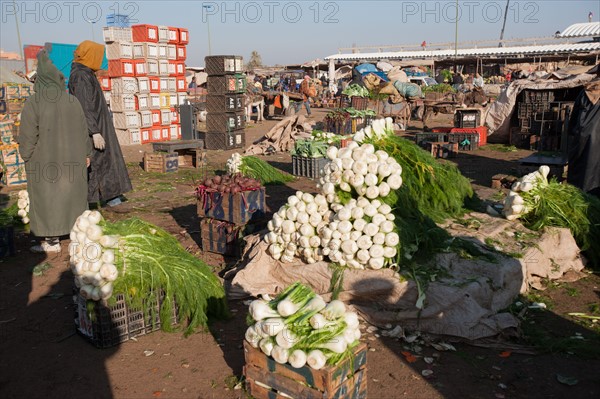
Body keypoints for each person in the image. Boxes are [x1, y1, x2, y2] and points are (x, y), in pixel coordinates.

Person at [18, 50, 92, 253]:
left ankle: (52, 240)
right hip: (73, 160)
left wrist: (27, 155)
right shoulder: (72, 101)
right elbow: (83, 131)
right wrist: (87, 154)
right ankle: (77, 232)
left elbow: (27, 135)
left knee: (48, 196)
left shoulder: (34, 103)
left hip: (45, 161)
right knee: (72, 195)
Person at [69, 41, 132, 208]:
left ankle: (111, 197)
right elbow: (84, 105)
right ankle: (107, 200)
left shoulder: (86, 73)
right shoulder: (81, 76)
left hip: (99, 125)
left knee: (105, 162)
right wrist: (94, 131)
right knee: (98, 164)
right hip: (92, 130)